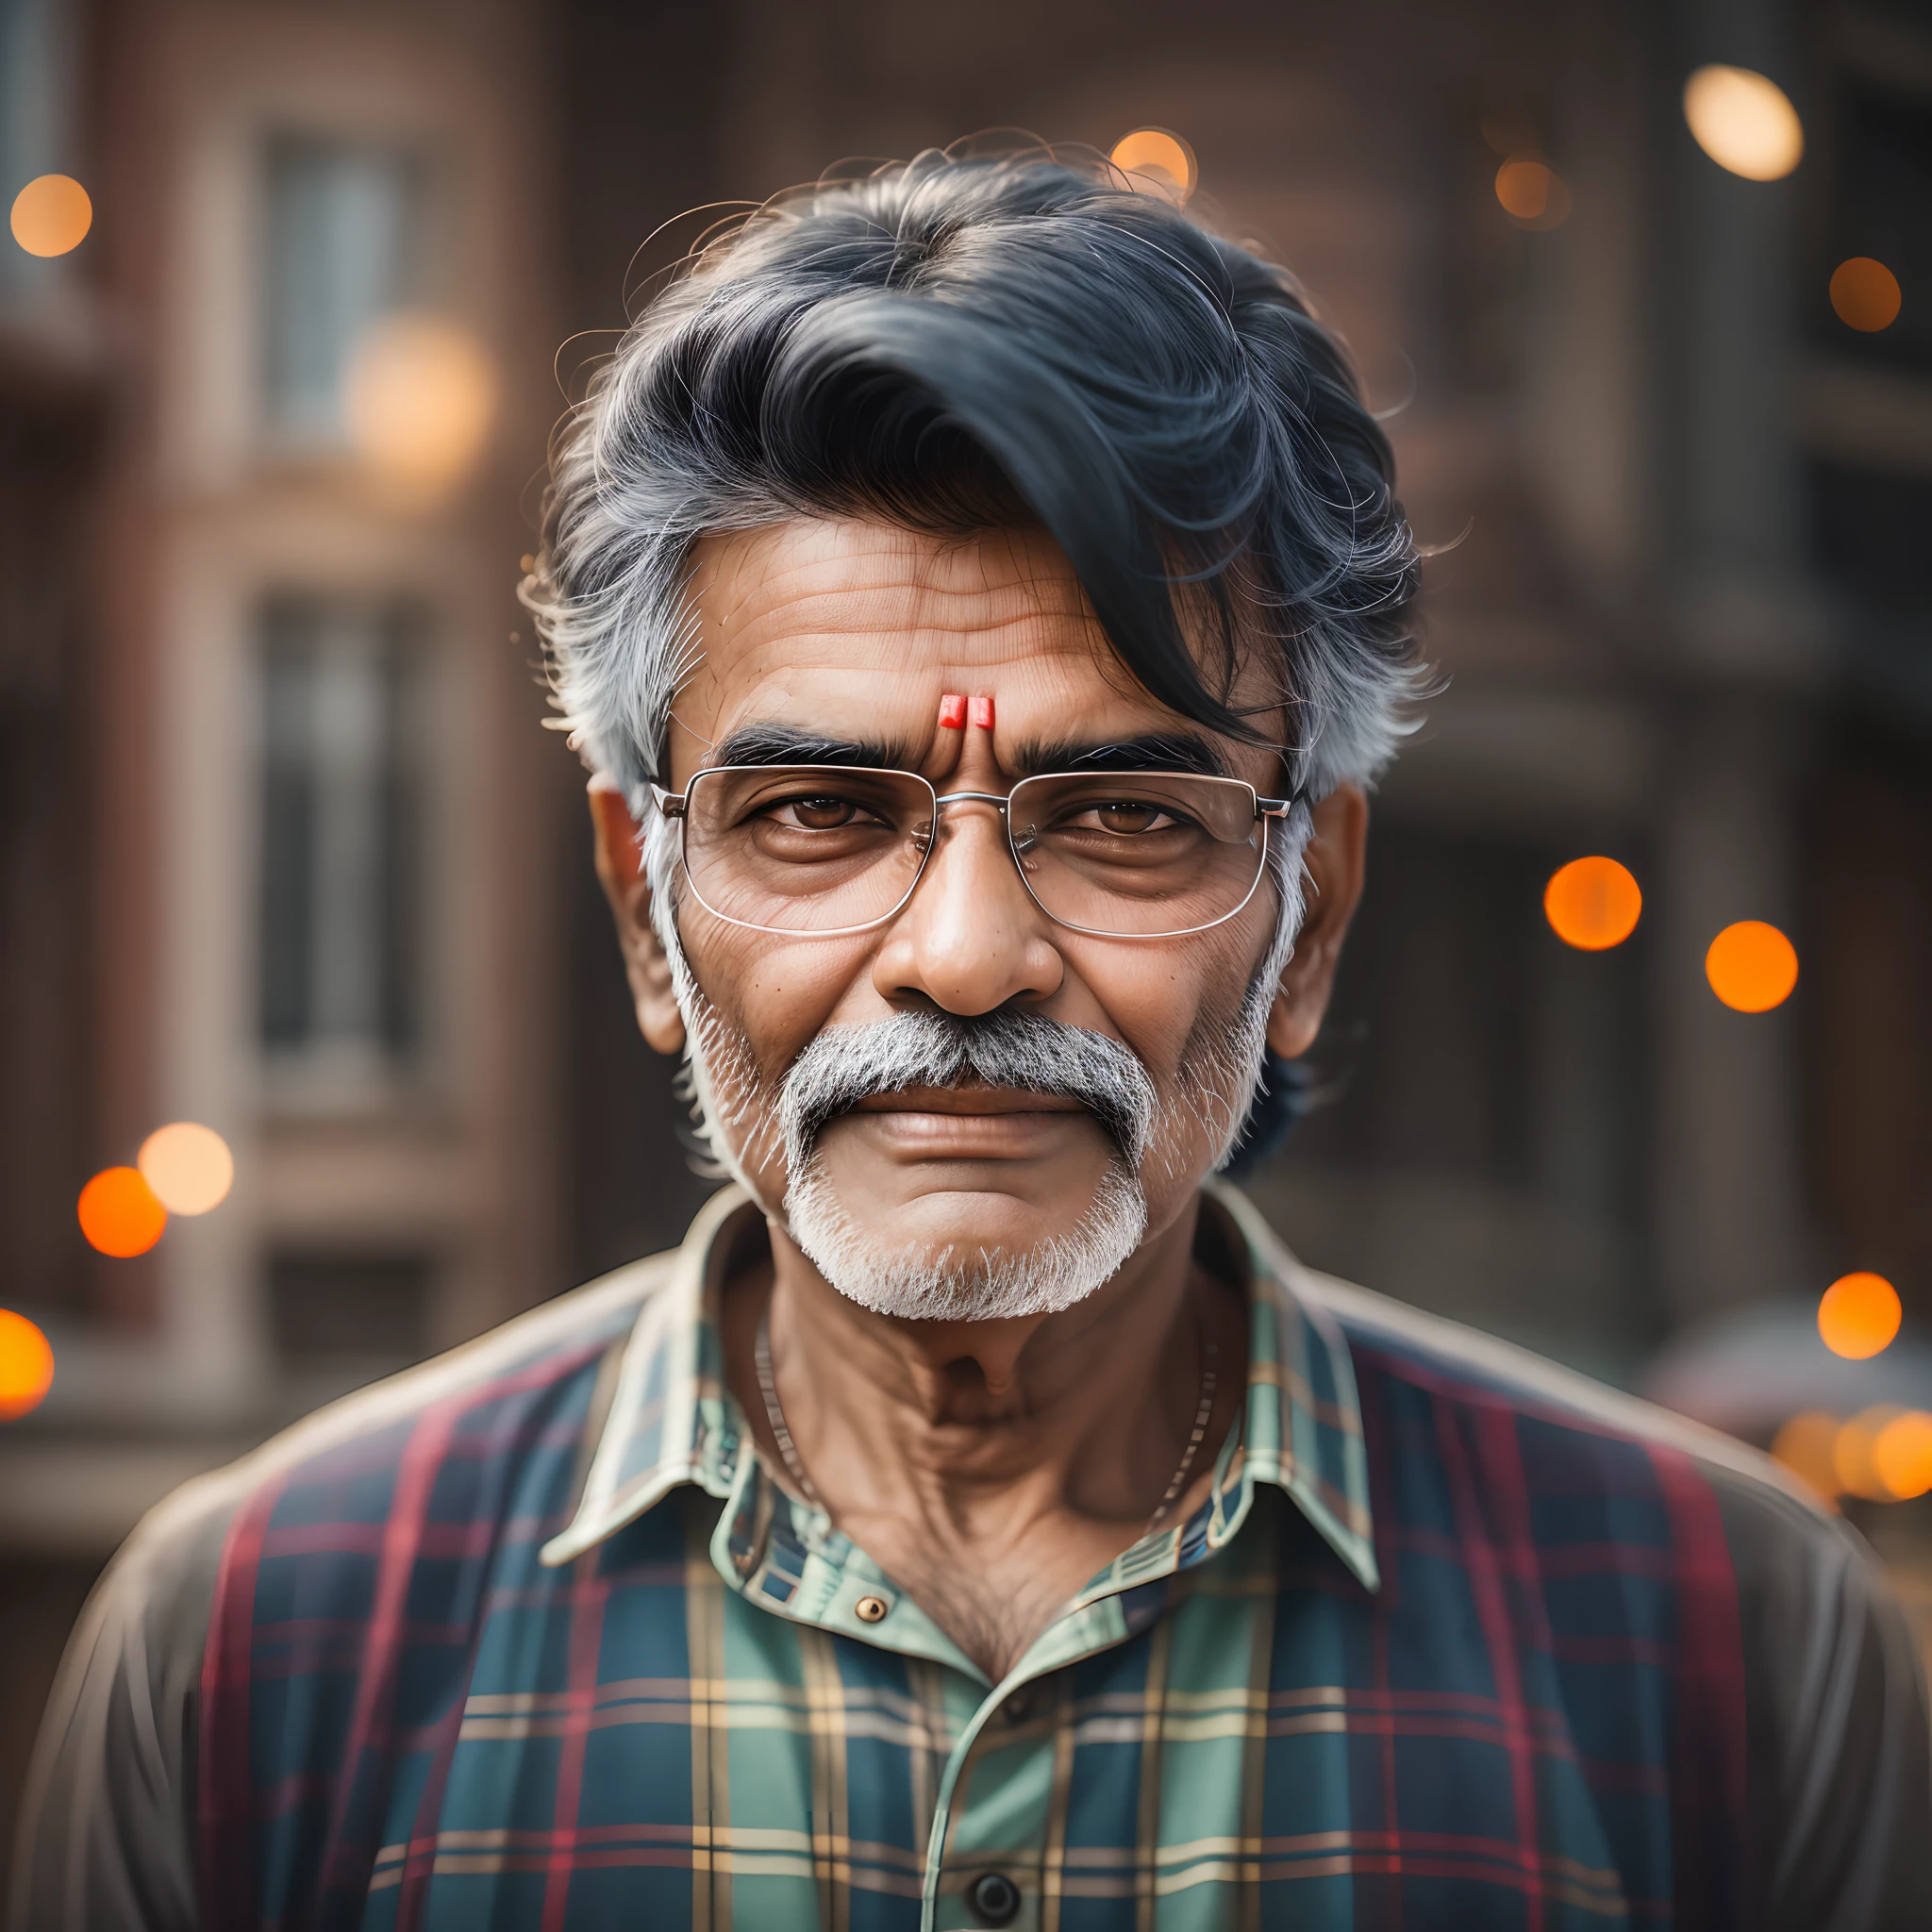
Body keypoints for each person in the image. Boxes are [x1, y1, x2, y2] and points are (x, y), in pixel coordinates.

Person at [14, 144, 1927, 1932]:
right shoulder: (250, 1657)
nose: (963, 954)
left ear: (1312, 912)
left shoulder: (1727, 1656)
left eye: (1121, 817)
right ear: (642, 908)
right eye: (816, 814)